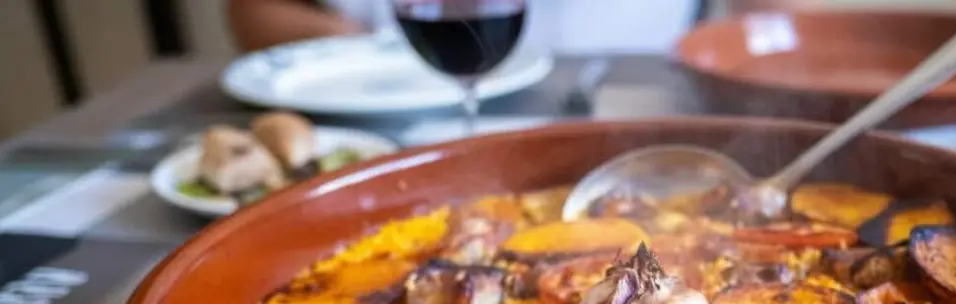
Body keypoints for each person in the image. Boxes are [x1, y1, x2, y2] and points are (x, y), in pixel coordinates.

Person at [226, 0, 710, 55]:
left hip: (634, 90)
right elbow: (252, 11)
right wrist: (346, 47)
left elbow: (779, 15)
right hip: (377, 117)